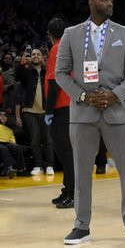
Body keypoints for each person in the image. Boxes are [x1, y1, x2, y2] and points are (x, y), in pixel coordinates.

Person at [55, 0, 125, 245]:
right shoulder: (71, 34)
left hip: (117, 110)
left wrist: (116, 94)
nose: (110, 3)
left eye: (112, 0)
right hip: (83, 112)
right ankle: (81, 226)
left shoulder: (124, 33)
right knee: (82, 172)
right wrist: (83, 96)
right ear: (91, 2)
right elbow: (61, 73)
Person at [45, 17, 75, 208]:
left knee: (66, 153)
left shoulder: (56, 49)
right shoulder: (70, 47)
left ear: (49, 34)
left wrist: (48, 111)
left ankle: (73, 193)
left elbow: (54, 81)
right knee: (68, 152)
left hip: (61, 107)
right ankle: (68, 189)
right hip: (70, 105)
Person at [15, 47, 54, 175]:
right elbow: (17, 77)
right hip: (29, 111)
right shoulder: (26, 71)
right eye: (33, 54)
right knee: (35, 140)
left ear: (42, 57)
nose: (35, 56)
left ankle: (49, 165)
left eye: (38, 54)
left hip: (46, 110)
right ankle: (38, 166)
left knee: (48, 139)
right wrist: (22, 64)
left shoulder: (46, 71)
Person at [0, 109, 28, 178]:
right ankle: (10, 168)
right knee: (3, 148)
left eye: (5, 115)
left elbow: (12, 138)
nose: (3, 116)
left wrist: (13, 141)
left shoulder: (9, 130)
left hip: (5, 143)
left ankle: (21, 169)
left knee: (17, 147)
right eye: (0, 115)